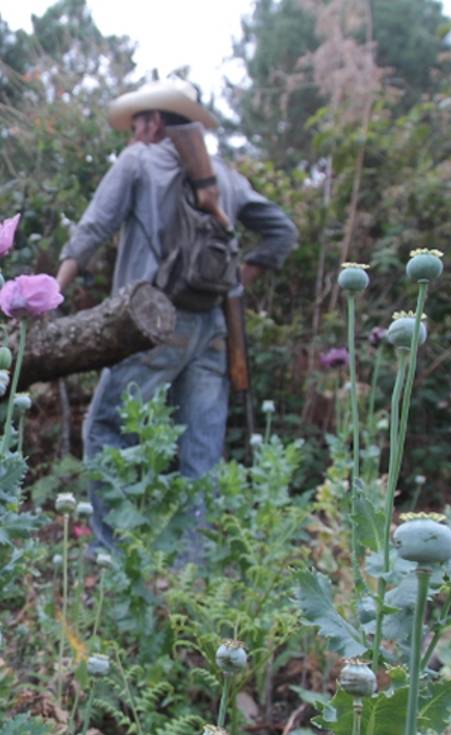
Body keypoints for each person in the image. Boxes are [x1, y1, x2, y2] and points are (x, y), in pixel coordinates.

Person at [55, 78, 297, 559]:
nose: (133, 134)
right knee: (201, 453)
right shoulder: (227, 177)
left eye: (137, 122)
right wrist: (238, 278)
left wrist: (48, 293)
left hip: (153, 323)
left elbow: (94, 228)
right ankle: (193, 571)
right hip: (214, 328)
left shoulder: (138, 160)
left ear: (155, 121)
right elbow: (282, 233)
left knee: (107, 431)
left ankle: (112, 558)